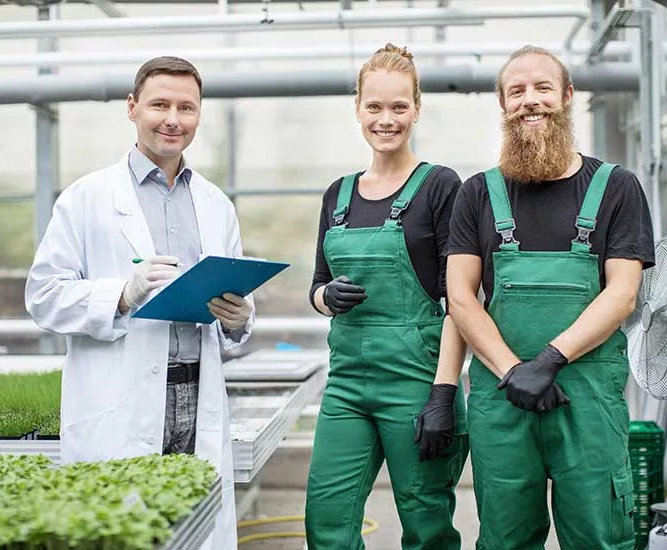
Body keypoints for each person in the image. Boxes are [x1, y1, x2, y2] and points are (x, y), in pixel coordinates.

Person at [24, 56, 253, 550]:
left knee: (193, 526)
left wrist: (240, 318)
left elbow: (233, 293)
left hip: (197, 392)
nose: (173, 118)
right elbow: (43, 296)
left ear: (199, 115)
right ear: (132, 108)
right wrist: (120, 295)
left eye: (186, 107)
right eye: (160, 104)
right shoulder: (86, 198)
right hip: (120, 399)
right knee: (124, 531)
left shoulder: (216, 204)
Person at [445, 45, 655, 549]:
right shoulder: (478, 193)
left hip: (585, 397)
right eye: (516, 91)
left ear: (567, 96)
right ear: (502, 104)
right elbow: (460, 296)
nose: (529, 100)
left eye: (542, 88)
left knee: (598, 535)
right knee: (504, 538)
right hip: (503, 397)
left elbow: (622, 294)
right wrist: (513, 370)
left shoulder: (616, 188)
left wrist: (551, 359)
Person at [304, 43, 469, 550]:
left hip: (417, 383)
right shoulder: (338, 193)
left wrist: (443, 395)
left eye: (399, 106)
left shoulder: (441, 186)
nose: (386, 119)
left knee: (426, 526)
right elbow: (315, 284)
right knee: (326, 520)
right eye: (374, 106)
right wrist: (325, 298)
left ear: (417, 108)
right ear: (357, 107)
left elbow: (459, 301)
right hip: (347, 385)